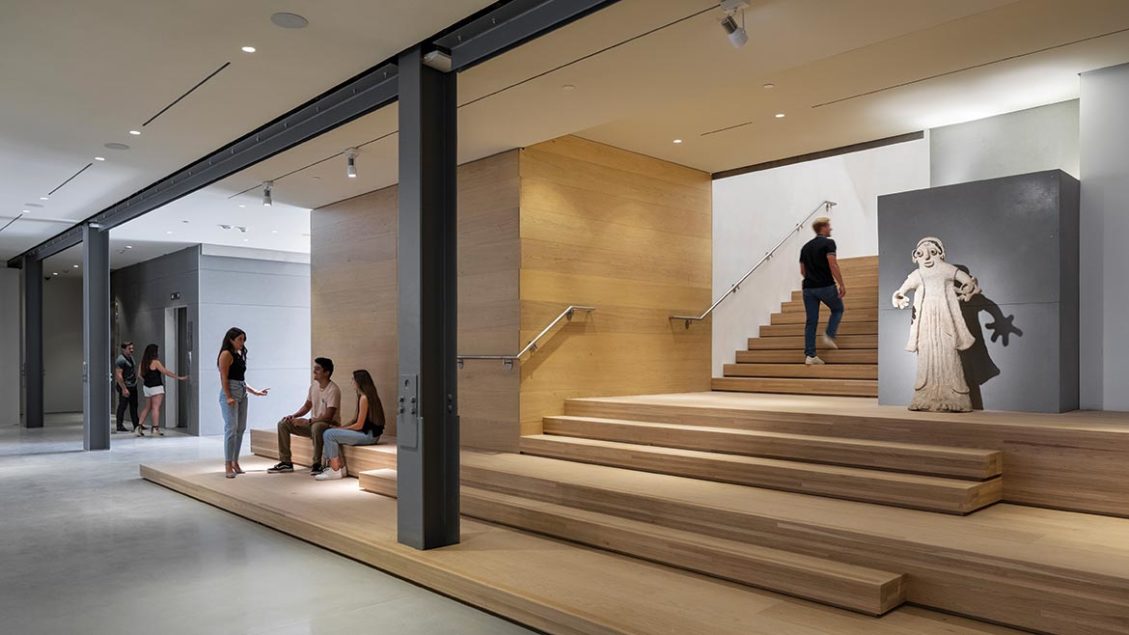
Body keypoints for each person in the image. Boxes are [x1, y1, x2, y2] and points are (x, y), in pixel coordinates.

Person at [892, 237, 982, 412]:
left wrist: (968, 289)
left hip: (945, 319)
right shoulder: (917, 275)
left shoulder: (946, 269)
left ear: (941, 254)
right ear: (915, 257)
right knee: (926, 355)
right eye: (921, 254)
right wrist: (898, 296)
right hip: (925, 320)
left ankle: (956, 398)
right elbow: (900, 291)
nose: (927, 258)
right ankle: (925, 397)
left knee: (949, 353)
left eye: (932, 252)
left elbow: (968, 281)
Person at [267, 357, 342, 475]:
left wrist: (308, 421)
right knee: (283, 424)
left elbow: (328, 416)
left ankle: (317, 464)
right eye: (314, 369)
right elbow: (307, 406)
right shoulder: (314, 386)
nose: (314, 371)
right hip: (313, 424)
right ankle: (286, 462)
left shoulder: (333, 390)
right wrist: (293, 416)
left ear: (326, 373)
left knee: (317, 426)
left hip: (328, 426)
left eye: (317, 369)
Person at [217, 327, 269, 478]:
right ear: (231, 340)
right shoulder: (226, 354)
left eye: (243, 339)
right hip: (231, 392)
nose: (242, 342)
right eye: (239, 339)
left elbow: (241, 380)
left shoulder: (239, 354)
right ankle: (228, 464)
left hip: (241, 392)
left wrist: (255, 392)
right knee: (231, 429)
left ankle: (235, 461)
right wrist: (228, 396)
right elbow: (224, 378)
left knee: (240, 428)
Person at [316, 369, 385, 481]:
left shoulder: (364, 398)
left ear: (359, 381)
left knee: (329, 434)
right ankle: (340, 468)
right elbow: (355, 420)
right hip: (370, 434)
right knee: (331, 432)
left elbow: (359, 425)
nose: (352, 382)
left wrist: (341, 429)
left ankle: (334, 470)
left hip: (369, 436)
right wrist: (340, 428)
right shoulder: (366, 396)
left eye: (353, 379)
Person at [798, 216, 846, 366]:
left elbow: (802, 271)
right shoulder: (829, 243)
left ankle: (810, 355)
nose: (830, 228)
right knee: (838, 308)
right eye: (829, 226)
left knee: (811, 321)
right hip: (825, 286)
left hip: (808, 288)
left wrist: (812, 279)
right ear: (823, 227)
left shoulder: (805, 247)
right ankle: (829, 334)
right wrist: (842, 284)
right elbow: (833, 265)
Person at [135, 344, 188, 437]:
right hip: (156, 387)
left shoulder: (142, 363)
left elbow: (139, 375)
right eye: (157, 351)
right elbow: (165, 372)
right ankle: (155, 429)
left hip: (146, 388)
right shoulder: (155, 362)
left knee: (147, 407)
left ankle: (138, 427)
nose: (158, 352)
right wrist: (179, 377)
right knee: (155, 408)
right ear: (154, 352)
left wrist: (147, 381)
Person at [113, 342, 139, 433]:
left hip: (132, 385)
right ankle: (119, 426)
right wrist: (124, 388)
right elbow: (118, 375)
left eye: (132, 348)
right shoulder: (121, 360)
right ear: (123, 349)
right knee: (122, 406)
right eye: (129, 348)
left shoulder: (131, 358)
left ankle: (137, 425)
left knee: (134, 406)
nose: (131, 350)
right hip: (125, 386)